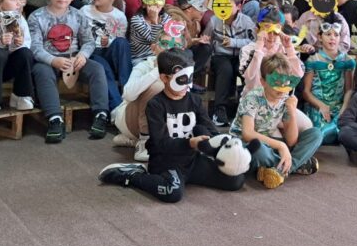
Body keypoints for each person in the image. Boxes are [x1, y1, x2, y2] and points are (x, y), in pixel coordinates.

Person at [98, 49, 249, 203]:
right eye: (182, 79)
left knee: (235, 180)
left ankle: (186, 177)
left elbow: (209, 128)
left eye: (190, 78)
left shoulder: (195, 100)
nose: (187, 85)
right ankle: (134, 176)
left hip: (192, 161)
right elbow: (161, 143)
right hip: (166, 163)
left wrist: (221, 143)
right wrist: (190, 143)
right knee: (172, 193)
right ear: (164, 78)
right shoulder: (155, 105)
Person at [28, 0, 110, 142]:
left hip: (74, 58)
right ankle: (54, 118)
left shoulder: (79, 16)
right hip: (48, 59)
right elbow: (35, 47)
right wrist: (53, 60)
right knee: (42, 72)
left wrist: (82, 55)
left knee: (97, 69)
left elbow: (89, 42)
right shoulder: (36, 17)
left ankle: (101, 114)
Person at [231, 53, 322, 189]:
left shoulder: (285, 99)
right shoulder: (252, 98)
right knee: (259, 152)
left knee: (316, 134)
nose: (281, 88)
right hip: (246, 143)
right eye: (276, 82)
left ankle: (280, 169)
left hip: (269, 140)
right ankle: (293, 164)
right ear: (263, 82)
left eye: (285, 82)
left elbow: (291, 141)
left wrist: (291, 111)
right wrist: (281, 146)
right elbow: (247, 134)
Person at [110, 28, 187, 163]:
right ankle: (144, 142)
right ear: (153, 48)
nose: (169, 50)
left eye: (175, 46)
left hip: (162, 126)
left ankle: (133, 140)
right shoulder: (144, 66)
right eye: (164, 44)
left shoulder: (184, 71)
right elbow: (128, 95)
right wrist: (158, 70)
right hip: (131, 119)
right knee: (157, 86)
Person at [203, 0, 257, 126]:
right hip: (221, 56)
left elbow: (254, 42)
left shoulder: (246, 22)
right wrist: (204, 41)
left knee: (246, 69)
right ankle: (219, 110)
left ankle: (249, 108)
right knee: (225, 70)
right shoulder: (214, 21)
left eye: (228, 5)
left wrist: (234, 42)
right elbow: (207, 38)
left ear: (238, 6)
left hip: (241, 55)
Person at [301, 16, 355, 145]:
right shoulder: (313, 60)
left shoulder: (348, 61)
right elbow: (306, 92)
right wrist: (321, 106)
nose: (332, 38)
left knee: (343, 131)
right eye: (328, 34)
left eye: (336, 35)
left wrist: (343, 110)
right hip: (317, 106)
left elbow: (349, 90)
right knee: (321, 134)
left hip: (339, 107)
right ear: (320, 37)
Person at [81, 0, 131, 111]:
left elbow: (119, 42)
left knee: (122, 43)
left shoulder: (119, 16)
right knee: (102, 67)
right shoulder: (84, 11)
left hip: (109, 52)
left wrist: (109, 41)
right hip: (92, 53)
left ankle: (127, 90)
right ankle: (117, 107)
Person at [165, 0, 213, 93]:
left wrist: (197, 40)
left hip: (181, 53)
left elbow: (187, 42)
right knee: (188, 53)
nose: (203, 10)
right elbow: (174, 47)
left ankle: (189, 80)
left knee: (205, 48)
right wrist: (194, 41)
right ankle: (181, 81)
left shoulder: (194, 23)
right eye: (200, 6)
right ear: (189, 8)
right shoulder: (175, 20)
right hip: (169, 57)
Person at [128, 0, 173, 65]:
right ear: (143, 4)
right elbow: (154, 41)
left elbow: (167, 41)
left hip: (162, 56)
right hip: (141, 58)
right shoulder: (137, 20)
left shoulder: (167, 18)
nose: (156, 3)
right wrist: (154, 21)